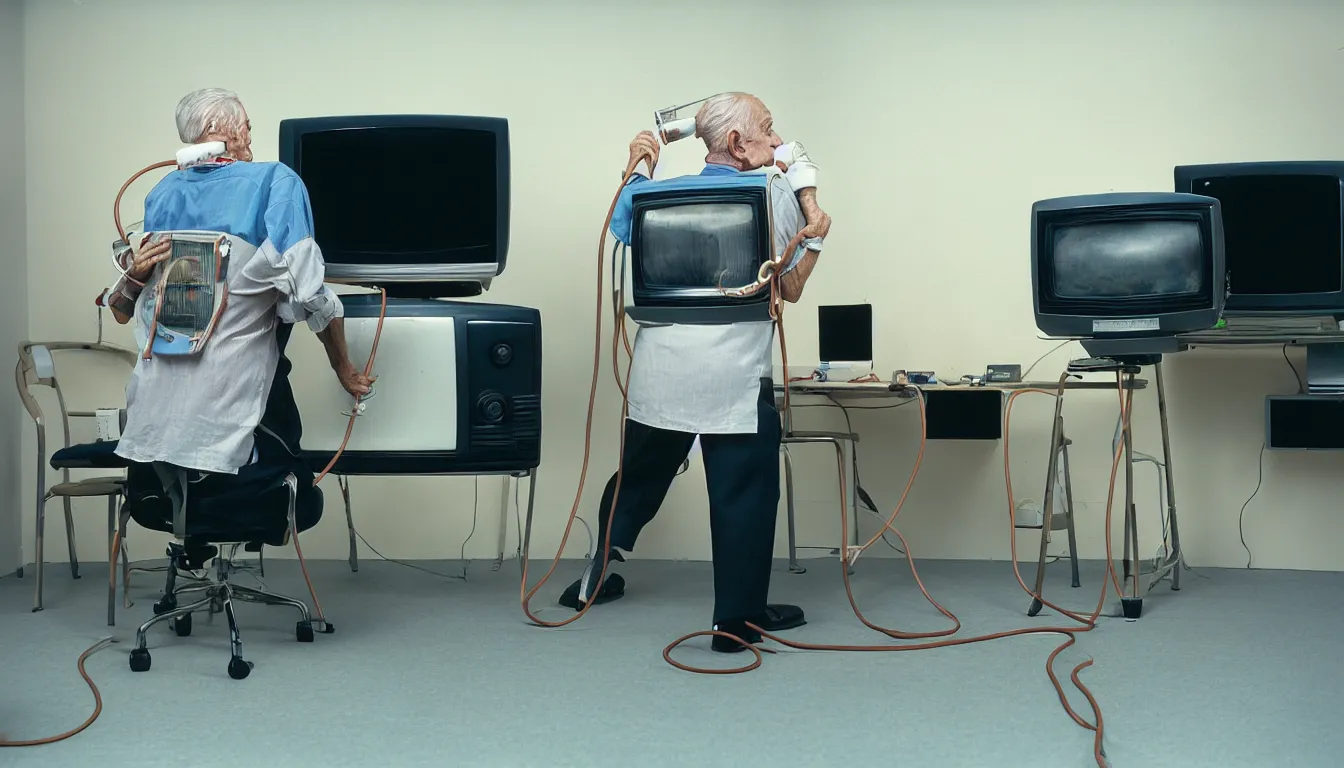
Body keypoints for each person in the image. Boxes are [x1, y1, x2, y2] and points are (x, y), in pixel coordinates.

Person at [560, 92, 832, 653]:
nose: (777, 140)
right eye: (767, 128)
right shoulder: (771, 193)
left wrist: (641, 159)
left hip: (660, 377)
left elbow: (620, 218)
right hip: (732, 378)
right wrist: (819, 232)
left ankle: (591, 581)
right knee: (744, 494)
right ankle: (735, 625)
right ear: (737, 143)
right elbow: (792, 289)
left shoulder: (653, 198)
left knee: (637, 478)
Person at [105, 87, 372, 482]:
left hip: (151, 434)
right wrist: (345, 369)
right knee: (303, 498)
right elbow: (311, 293)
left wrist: (134, 277)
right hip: (232, 433)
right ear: (221, 130)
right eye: (247, 126)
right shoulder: (274, 182)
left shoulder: (161, 193)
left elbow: (121, 309)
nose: (250, 134)